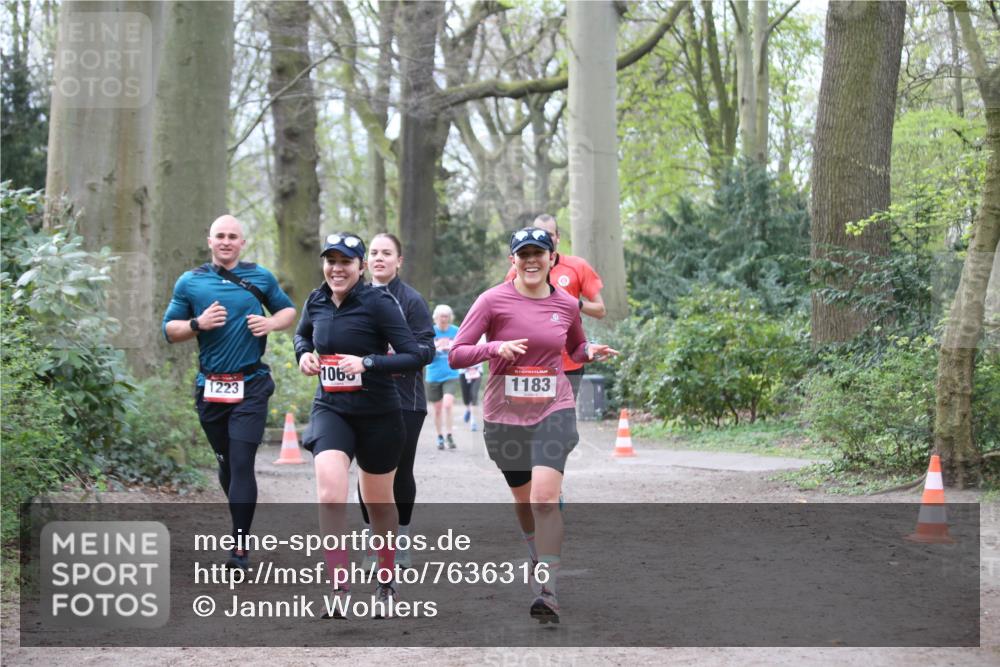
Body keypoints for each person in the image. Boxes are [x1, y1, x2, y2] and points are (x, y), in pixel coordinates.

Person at [450, 226, 617, 624]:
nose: (531, 259)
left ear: (551, 258)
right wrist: (494, 348)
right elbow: (457, 354)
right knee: (524, 500)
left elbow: (574, 346)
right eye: (523, 253)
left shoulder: (567, 304)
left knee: (544, 498)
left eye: (538, 253)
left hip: (552, 408)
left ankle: (548, 587)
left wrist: (588, 351)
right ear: (513, 260)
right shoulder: (492, 300)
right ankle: (535, 551)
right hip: (504, 415)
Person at [294, 232, 425, 614]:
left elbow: (414, 355)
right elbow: (303, 335)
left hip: (379, 413)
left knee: (380, 503)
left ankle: (386, 580)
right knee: (330, 493)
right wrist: (304, 355)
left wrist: (368, 363)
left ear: (360, 267)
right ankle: (338, 586)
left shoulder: (379, 303)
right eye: (330, 261)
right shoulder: (315, 300)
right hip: (331, 408)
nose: (337, 268)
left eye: (345, 262)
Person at [162, 215, 297, 570]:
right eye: (220, 236)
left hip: (251, 384)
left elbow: (288, 311)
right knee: (226, 461)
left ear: (242, 243)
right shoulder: (190, 282)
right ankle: (240, 515)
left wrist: (270, 322)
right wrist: (197, 324)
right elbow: (169, 329)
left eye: (232, 236)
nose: (225, 241)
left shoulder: (260, 277)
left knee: (241, 462)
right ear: (209, 241)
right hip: (211, 386)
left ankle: (239, 548)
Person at [357, 232, 435, 570]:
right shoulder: (352, 297)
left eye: (386, 253)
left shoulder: (412, 301)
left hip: (406, 400)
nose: (379, 258)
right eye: (373, 252)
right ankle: (375, 541)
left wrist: (390, 355)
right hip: (361, 397)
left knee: (400, 471)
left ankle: (401, 538)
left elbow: (426, 350)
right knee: (367, 472)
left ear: (398, 260)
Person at [504, 213, 606, 398]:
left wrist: (573, 303)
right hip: (530, 361)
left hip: (568, 361)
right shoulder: (518, 270)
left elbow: (600, 310)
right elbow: (506, 308)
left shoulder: (578, 266)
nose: (545, 238)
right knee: (529, 418)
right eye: (539, 233)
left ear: (557, 237)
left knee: (562, 419)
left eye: (549, 234)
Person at [426, 304, 461, 450]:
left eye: (446, 316)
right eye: (441, 316)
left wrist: (451, 346)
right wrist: (437, 347)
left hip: (451, 373)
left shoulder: (456, 331)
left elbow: (461, 349)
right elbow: (424, 352)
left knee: (447, 404)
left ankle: (449, 434)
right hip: (433, 374)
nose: (444, 319)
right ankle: (440, 436)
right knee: (438, 408)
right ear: (436, 317)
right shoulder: (430, 332)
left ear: (450, 317)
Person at [459, 352, 484, 432]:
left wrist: (474, 367)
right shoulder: (460, 340)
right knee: (466, 397)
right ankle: (468, 409)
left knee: (474, 395)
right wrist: (467, 367)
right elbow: (457, 356)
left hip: (477, 372)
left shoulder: (481, 340)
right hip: (463, 372)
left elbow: (483, 354)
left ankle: (473, 421)